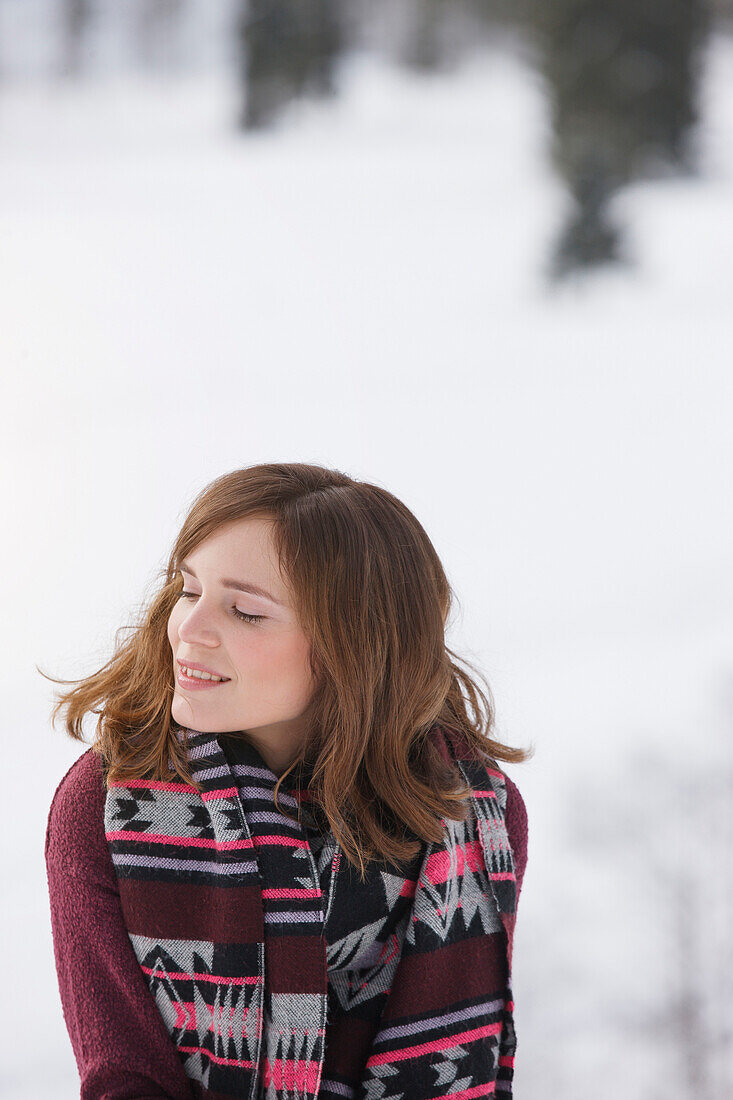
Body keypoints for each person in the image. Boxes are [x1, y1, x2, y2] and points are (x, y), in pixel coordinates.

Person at [44, 462, 533, 1100]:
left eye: (245, 611)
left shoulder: (474, 819)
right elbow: (125, 1080)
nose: (187, 630)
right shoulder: (106, 803)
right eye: (189, 590)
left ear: (355, 646)